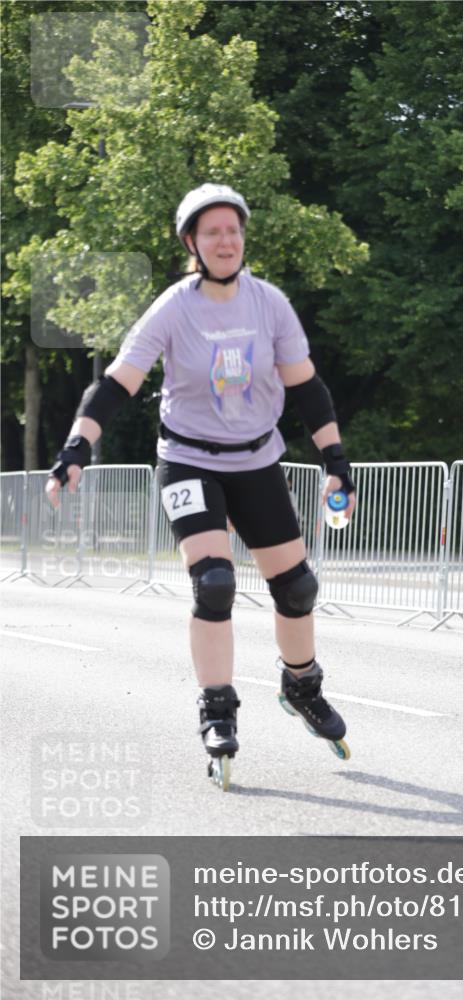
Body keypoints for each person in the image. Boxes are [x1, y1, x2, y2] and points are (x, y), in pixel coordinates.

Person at [46, 182, 357, 788]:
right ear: (193, 242)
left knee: (297, 587)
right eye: (212, 232)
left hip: (257, 460)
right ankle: (217, 710)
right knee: (214, 584)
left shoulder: (270, 304)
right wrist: (76, 447)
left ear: (243, 239)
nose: (225, 240)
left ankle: (301, 685)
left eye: (233, 230)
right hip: (189, 460)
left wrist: (336, 460)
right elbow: (115, 385)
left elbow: (307, 388)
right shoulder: (174, 307)